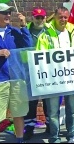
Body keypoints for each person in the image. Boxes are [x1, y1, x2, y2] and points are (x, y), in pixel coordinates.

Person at [0, 3, 33, 143]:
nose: (8, 15)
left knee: (19, 114)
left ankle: (19, 140)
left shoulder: (15, 31)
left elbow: (29, 47)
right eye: (4, 12)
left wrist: (24, 26)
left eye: (9, 13)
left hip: (17, 78)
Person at [36, 7, 74, 143]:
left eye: (65, 17)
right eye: (60, 17)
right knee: (52, 112)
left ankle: (73, 136)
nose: (63, 20)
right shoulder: (45, 35)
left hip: (72, 78)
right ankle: (54, 138)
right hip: (53, 79)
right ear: (55, 17)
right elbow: (40, 57)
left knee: (73, 110)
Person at [23, 8, 51, 140]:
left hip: (47, 71)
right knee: (31, 102)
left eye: (42, 17)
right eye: (37, 17)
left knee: (48, 102)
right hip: (29, 71)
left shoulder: (51, 31)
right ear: (32, 18)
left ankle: (50, 126)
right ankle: (29, 128)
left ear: (45, 18)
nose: (39, 20)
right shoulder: (24, 30)